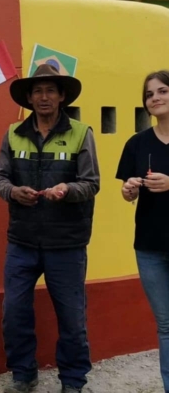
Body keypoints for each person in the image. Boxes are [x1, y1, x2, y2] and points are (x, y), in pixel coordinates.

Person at [0, 64, 100, 393]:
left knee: (72, 319)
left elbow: (91, 184)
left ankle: (72, 381)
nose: (44, 97)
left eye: (50, 90)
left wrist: (67, 191)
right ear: (29, 97)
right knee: (14, 313)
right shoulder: (13, 133)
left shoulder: (81, 133)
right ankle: (24, 375)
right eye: (37, 91)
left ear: (62, 96)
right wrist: (13, 192)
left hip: (66, 243)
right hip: (22, 242)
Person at [116, 70, 169, 393]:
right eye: (150, 95)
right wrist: (129, 190)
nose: (156, 98)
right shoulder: (137, 143)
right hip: (149, 248)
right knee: (166, 326)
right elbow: (126, 190)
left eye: (162, 90)